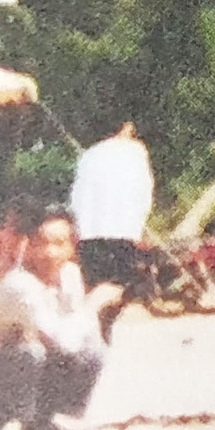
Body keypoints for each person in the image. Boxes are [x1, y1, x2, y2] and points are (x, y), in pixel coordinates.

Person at [0, 206, 121, 430]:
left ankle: (57, 416)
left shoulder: (70, 275)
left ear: (72, 247)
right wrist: (93, 304)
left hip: (36, 371)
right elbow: (63, 342)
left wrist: (87, 316)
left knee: (93, 351)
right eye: (42, 243)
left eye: (59, 244)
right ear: (28, 246)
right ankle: (9, 419)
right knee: (31, 352)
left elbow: (82, 339)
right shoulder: (19, 286)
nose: (50, 253)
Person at [70, 122, 155, 326]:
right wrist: (140, 221)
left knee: (96, 284)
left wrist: (78, 225)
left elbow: (77, 194)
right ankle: (111, 321)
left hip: (90, 230)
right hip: (123, 228)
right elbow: (143, 188)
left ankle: (97, 323)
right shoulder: (135, 151)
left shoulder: (90, 154)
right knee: (120, 284)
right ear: (126, 127)